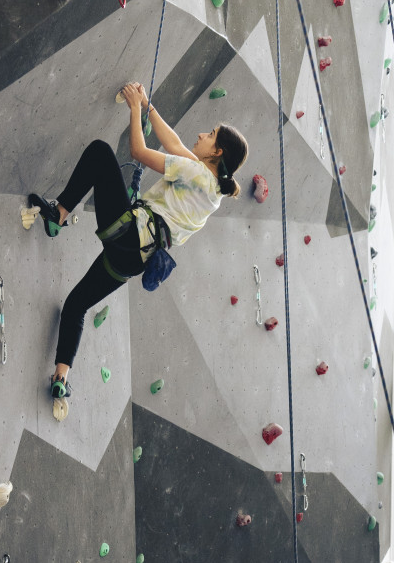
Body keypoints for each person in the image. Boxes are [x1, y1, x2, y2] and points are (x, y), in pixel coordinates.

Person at [29, 82, 249, 400]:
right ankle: (62, 377)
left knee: (100, 153)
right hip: (133, 262)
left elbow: (139, 152)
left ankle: (59, 215)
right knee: (76, 304)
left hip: (130, 234)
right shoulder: (213, 191)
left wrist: (135, 109)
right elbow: (174, 144)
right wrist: (148, 106)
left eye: (210, 134)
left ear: (217, 152)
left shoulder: (197, 175)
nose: (202, 134)